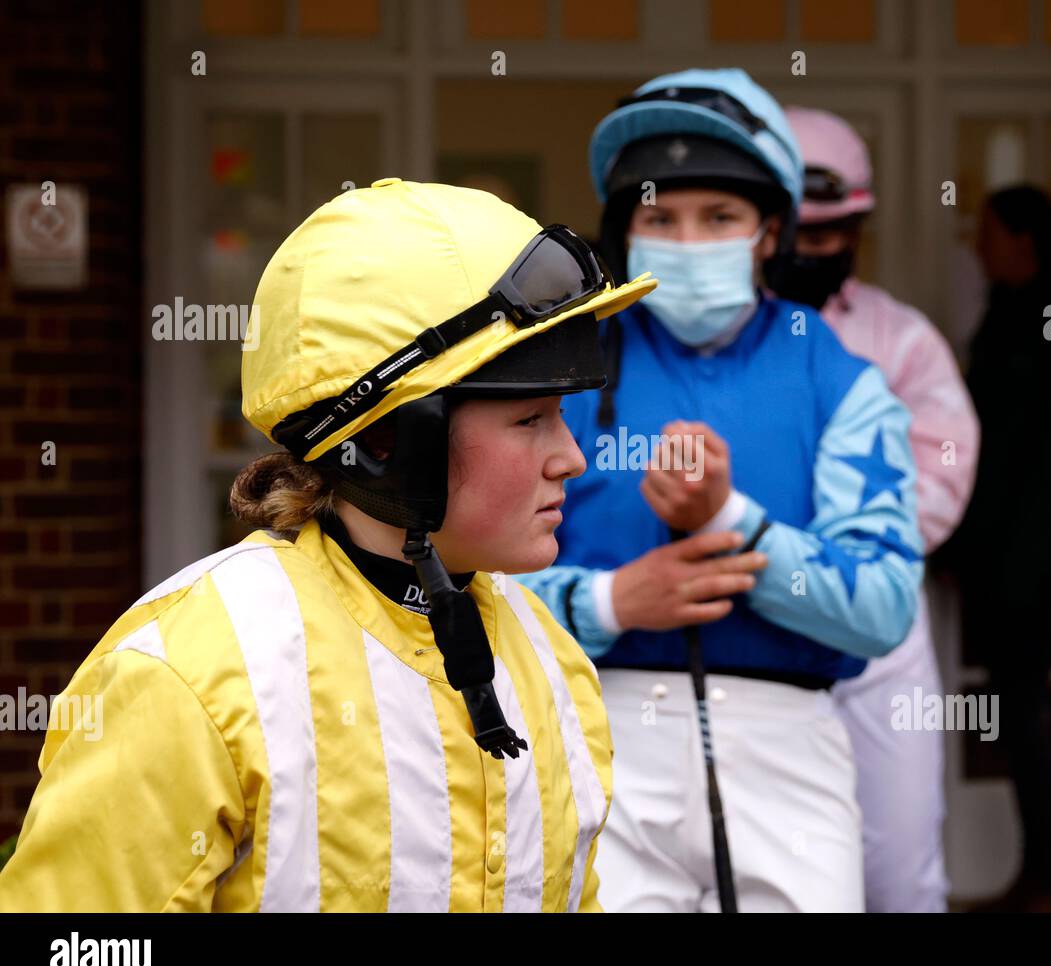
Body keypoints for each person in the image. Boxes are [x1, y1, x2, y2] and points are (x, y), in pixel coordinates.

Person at [0, 179, 657, 912]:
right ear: (390, 442)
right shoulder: (191, 674)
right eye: (531, 419)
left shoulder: (554, 663)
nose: (572, 457)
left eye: (564, 415)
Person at [518, 69, 924, 912]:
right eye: (660, 218)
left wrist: (734, 522)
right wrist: (613, 600)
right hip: (597, 734)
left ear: (769, 230)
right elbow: (472, 591)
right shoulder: (556, 374)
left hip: (789, 745)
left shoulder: (843, 382)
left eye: (720, 218)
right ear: (624, 233)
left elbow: (884, 606)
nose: (689, 239)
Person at [766, 106, 981, 912]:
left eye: (834, 234)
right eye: (800, 234)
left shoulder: (903, 338)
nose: (815, 251)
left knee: (900, 865)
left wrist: (840, 550)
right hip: (748, 615)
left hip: (876, 622)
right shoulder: (705, 340)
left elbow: (944, 471)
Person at [944, 184, 1051, 911]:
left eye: (987, 233)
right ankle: (1045, 872)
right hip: (1008, 562)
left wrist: (1021, 564)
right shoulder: (1011, 318)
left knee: (1027, 715)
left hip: (1039, 568)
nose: (977, 248)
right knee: (1018, 717)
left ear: (1023, 240)